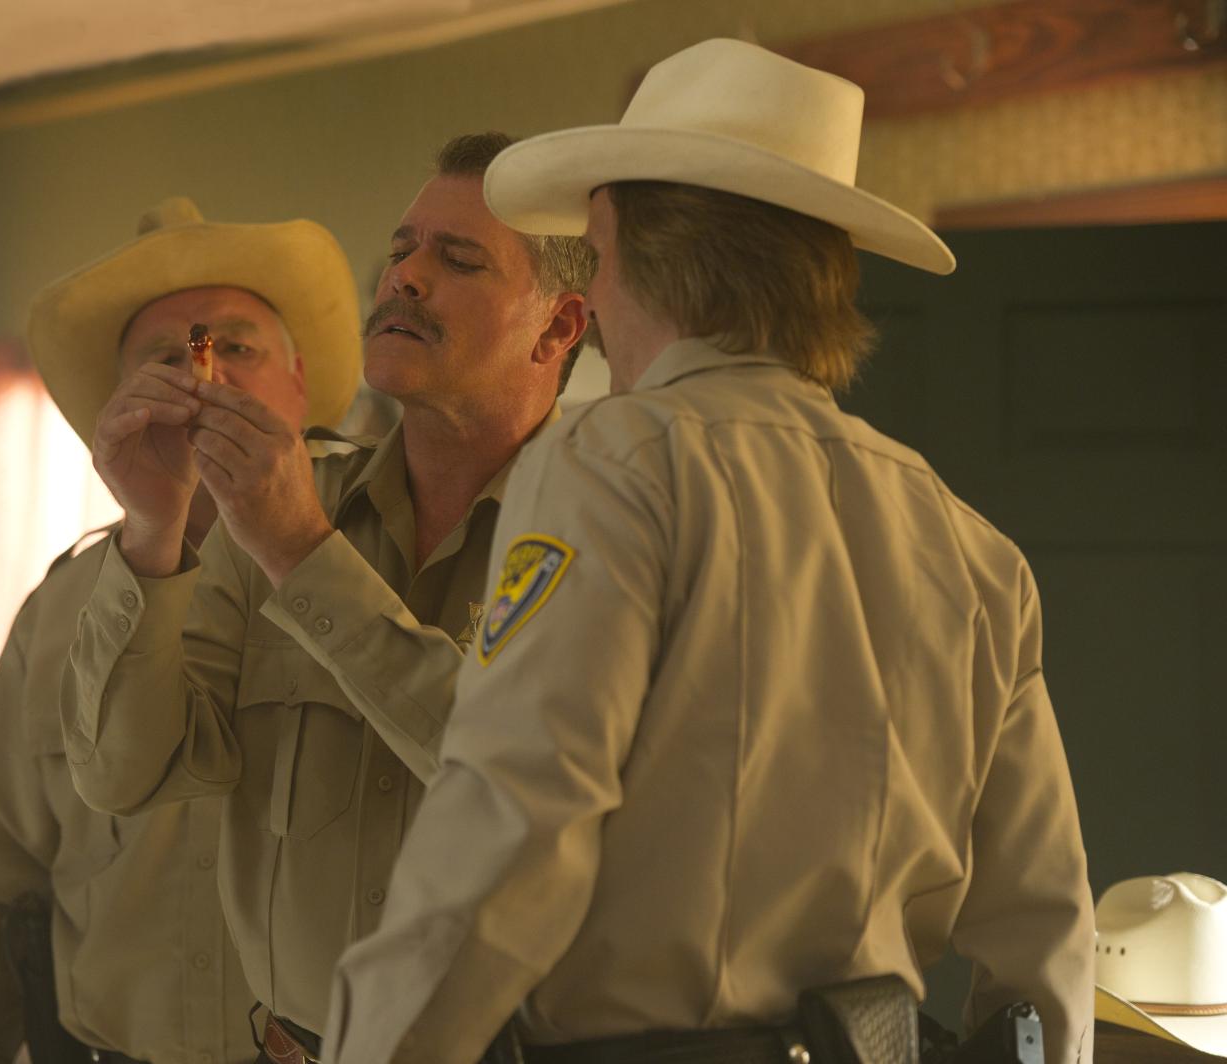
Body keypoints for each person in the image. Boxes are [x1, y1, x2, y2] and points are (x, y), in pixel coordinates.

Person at [325, 39, 1096, 1064]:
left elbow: (514, 825)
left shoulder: (609, 462)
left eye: (595, 248)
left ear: (649, 254)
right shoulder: (967, 543)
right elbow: (1044, 939)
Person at [58, 134, 593, 1061]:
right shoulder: (280, 509)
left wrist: (302, 555)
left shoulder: (603, 533)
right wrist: (151, 526)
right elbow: (125, 775)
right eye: (400, 249)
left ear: (557, 328)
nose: (405, 277)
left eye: (458, 259)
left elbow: (517, 778)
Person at [0, 196, 361, 1064]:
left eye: (237, 347)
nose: (205, 376)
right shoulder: (58, 614)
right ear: (119, 403)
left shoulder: (381, 574)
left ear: (300, 380)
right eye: (168, 358)